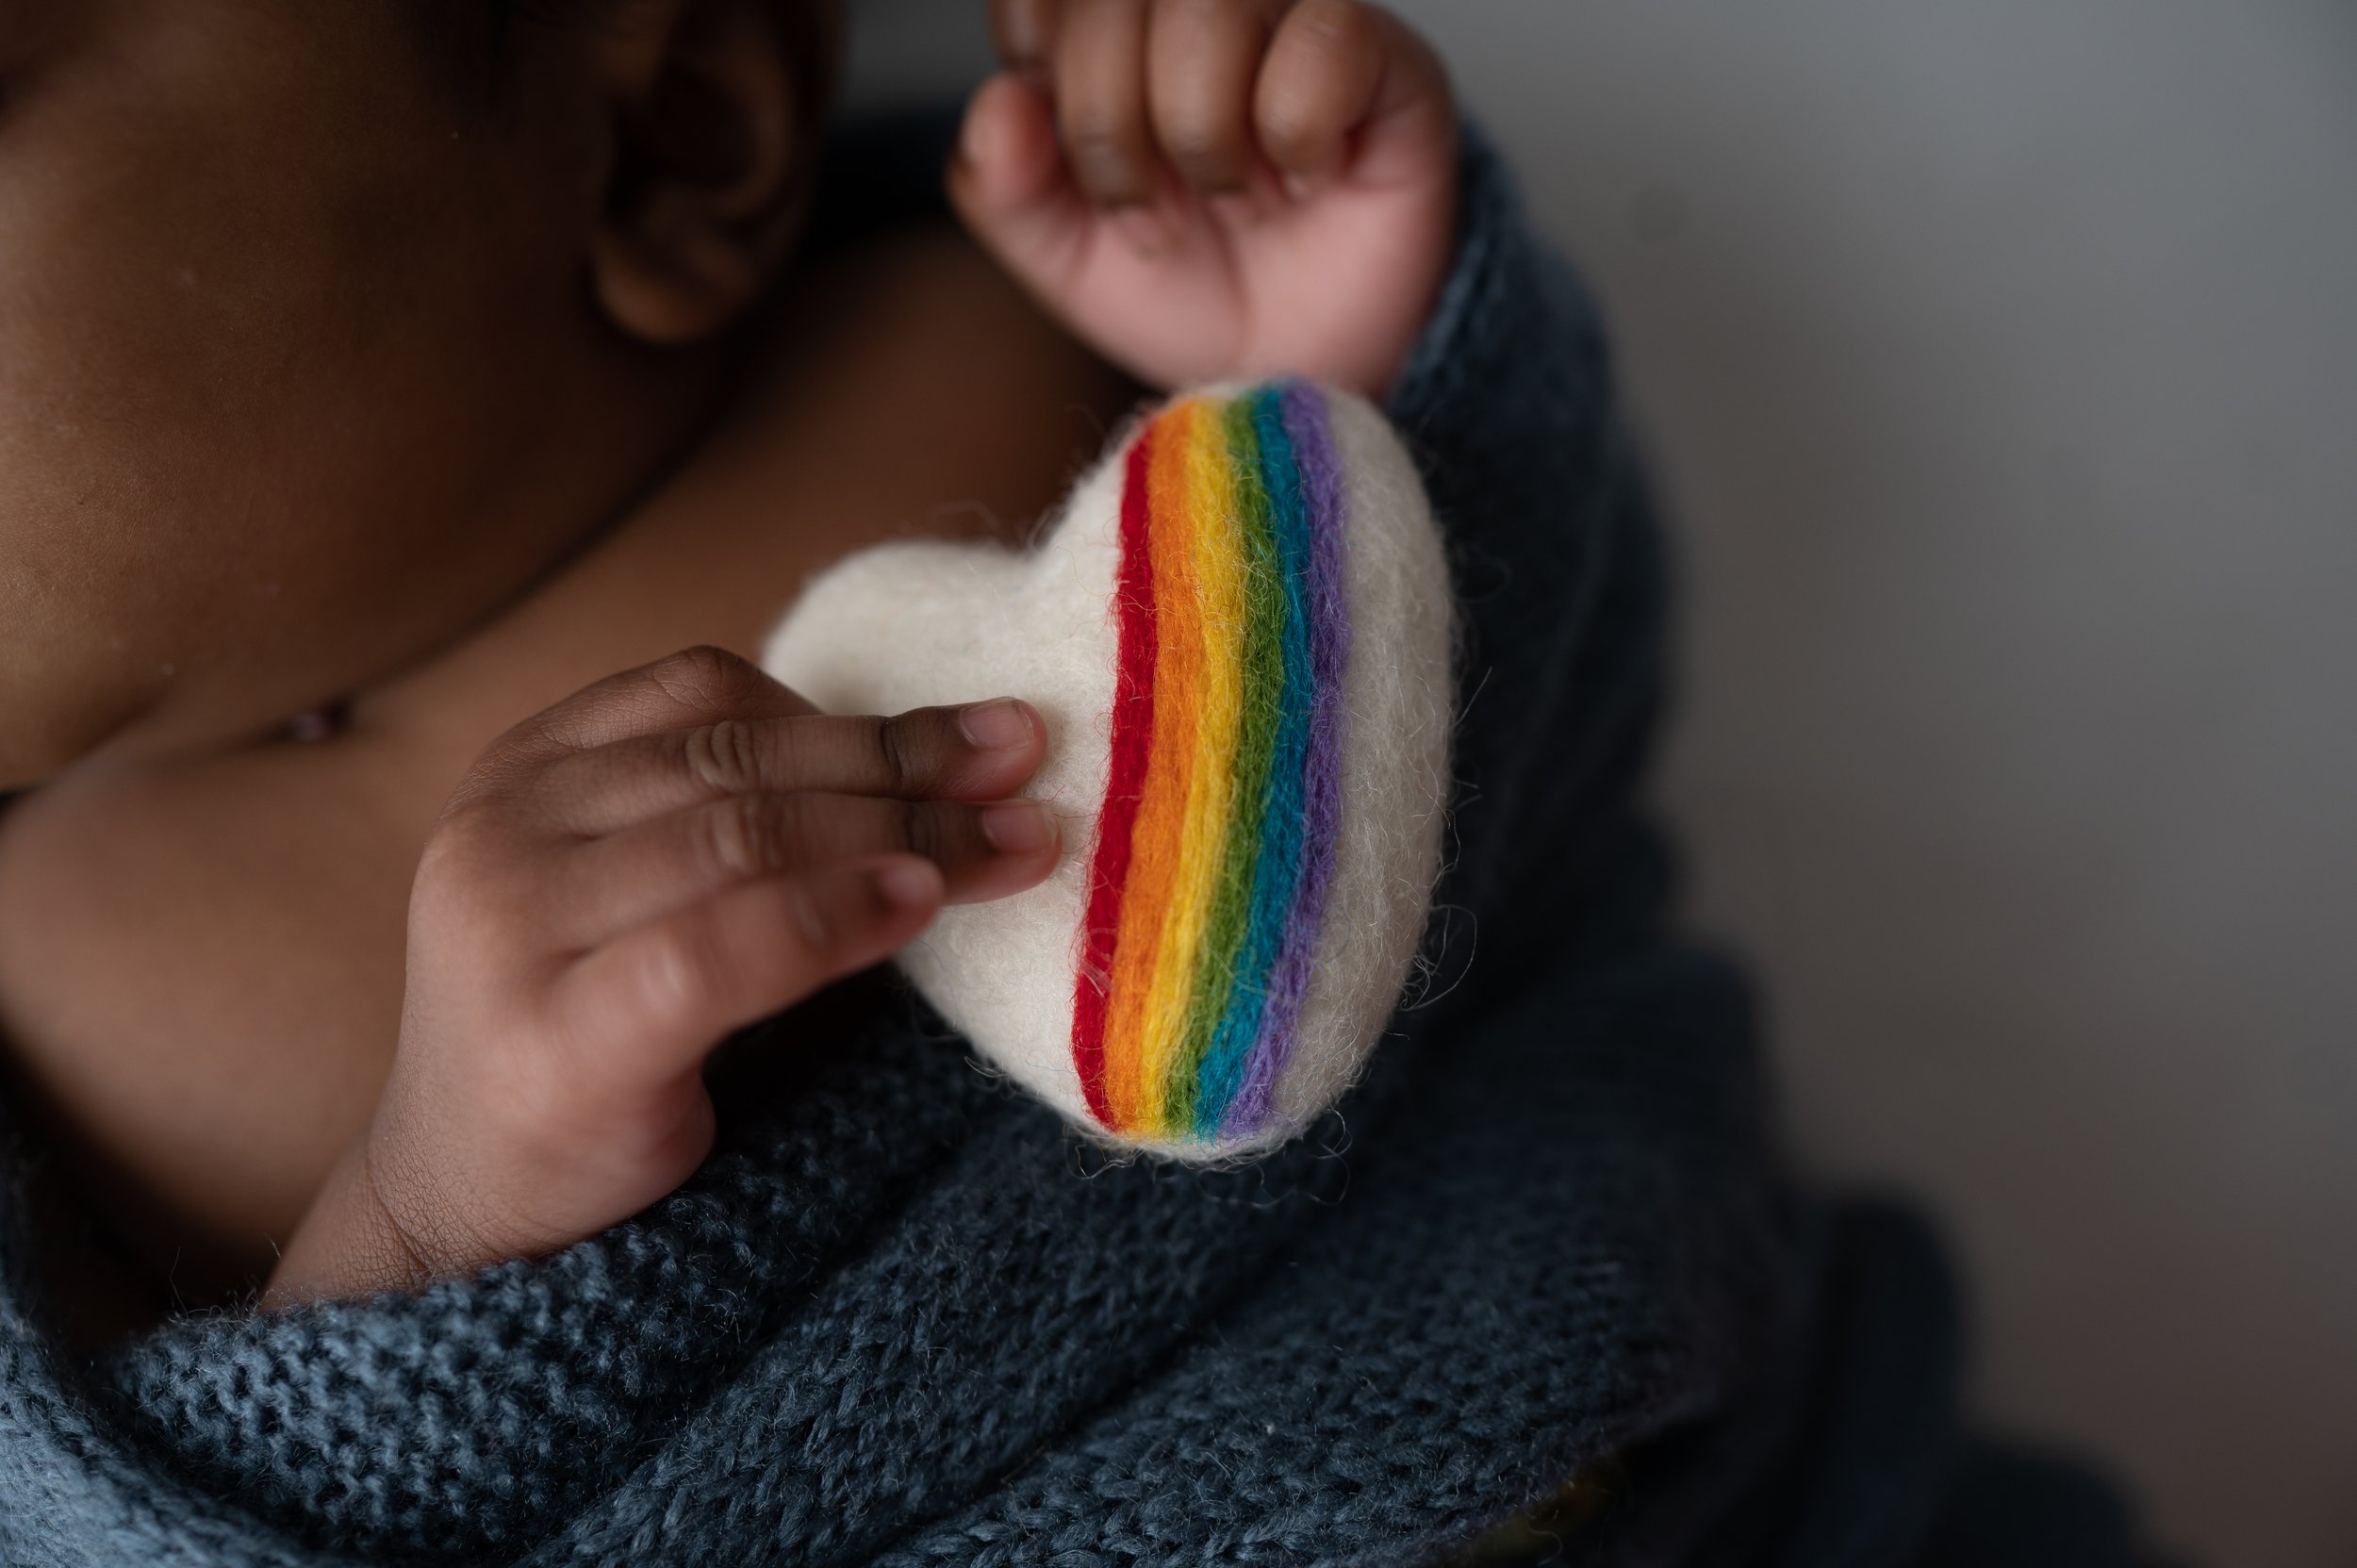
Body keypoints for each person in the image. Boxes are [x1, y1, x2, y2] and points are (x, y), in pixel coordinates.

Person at [0, 4, 2157, 1563]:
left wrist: (1371, 372)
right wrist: (434, 1220)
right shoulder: (49, 999)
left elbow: (1521, 730)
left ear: (663, 136)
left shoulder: (977, 333)